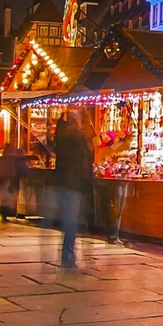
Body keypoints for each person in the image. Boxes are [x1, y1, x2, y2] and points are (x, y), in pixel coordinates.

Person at [54, 111, 93, 268]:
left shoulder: (64, 136)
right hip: (74, 184)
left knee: (70, 220)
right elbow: (82, 162)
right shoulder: (75, 138)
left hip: (67, 183)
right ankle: (68, 253)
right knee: (72, 220)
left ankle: (68, 251)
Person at [0, 144, 29, 221]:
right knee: (8, 198)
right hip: (9, 180)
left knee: (5, 199)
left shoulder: (2, 159)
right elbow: (21, 169)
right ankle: (7, 212)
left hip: (2, 181)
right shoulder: (13, 159)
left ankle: (4, 213)